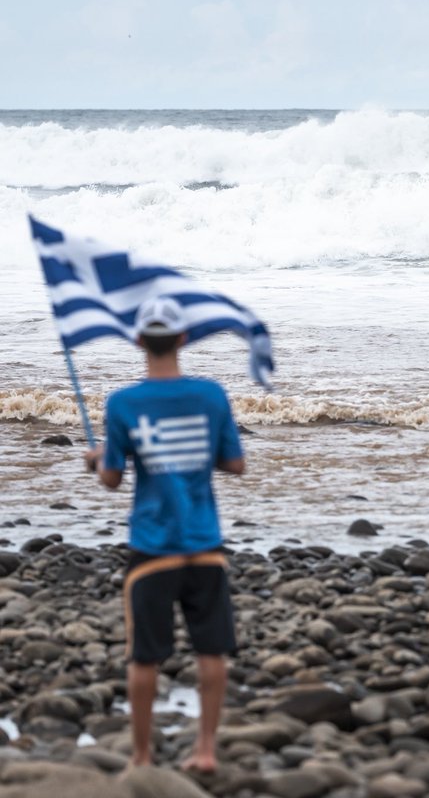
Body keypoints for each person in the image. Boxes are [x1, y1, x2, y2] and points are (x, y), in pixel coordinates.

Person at [83, 296, 243, 772]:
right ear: (183, 338)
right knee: (211, 649)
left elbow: (112, 480)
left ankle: (140, 756)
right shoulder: (211, 395)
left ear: (137, 342)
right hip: (205, 543)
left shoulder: (123, 403)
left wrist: (99, 458)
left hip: (151, 547)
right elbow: (234, 464)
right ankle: (207, 750)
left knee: (144, 657)